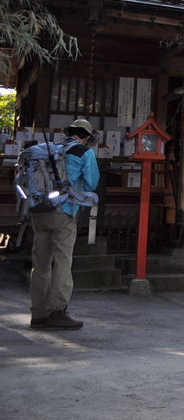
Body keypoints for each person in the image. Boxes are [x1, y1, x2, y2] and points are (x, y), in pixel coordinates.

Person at [30, 118, 100, 330]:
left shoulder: (48, 149)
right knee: (62, 262)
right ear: (87, 136)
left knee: (40, 264)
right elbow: (91, 182)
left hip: (40, 211)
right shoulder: (83, 152)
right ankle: (57, 311)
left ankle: (39, 314)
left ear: (69, 132)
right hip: (65, 211)